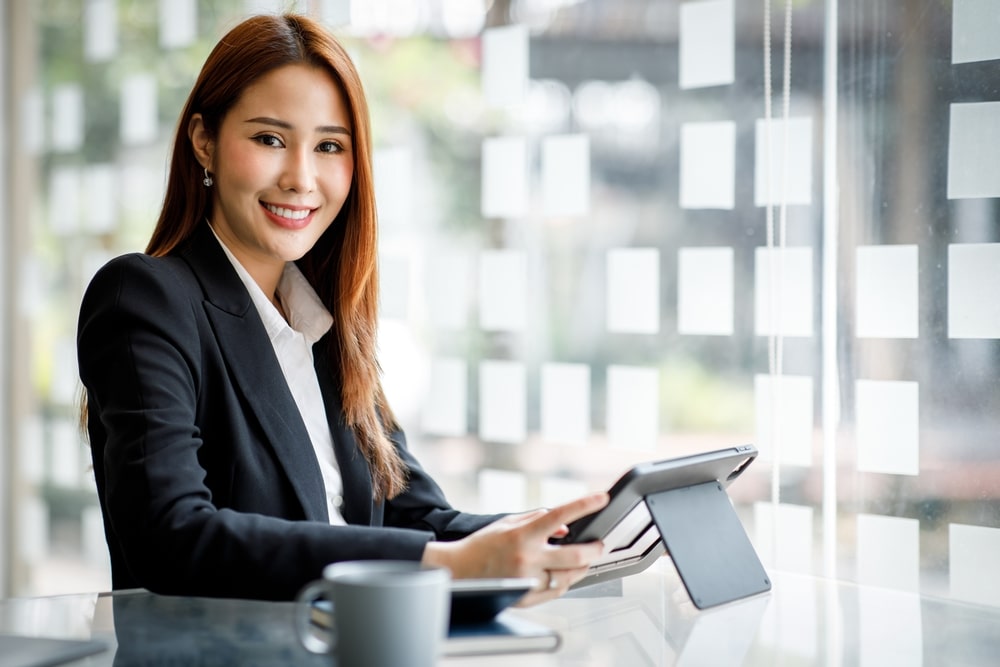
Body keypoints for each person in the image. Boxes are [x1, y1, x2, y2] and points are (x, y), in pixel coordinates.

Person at [77, 13, 607, 603]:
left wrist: (562, 534)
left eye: (329, 146)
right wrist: (447, 565)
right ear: (205, 141)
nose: (302, 178)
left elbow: (417, 518)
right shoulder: (145, 298)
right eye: (270, 139)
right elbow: (171, 537)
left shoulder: (324, 325)